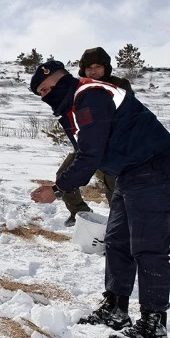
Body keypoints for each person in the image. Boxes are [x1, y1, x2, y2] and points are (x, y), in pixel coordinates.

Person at [29, 58, 170, 338]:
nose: (45, 95)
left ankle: (154, 328)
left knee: (147, 248)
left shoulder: (88, 96)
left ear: (61, 79)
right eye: (40, 93)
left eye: (46, 87)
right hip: (130, 172)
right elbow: (86, 152)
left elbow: (90, 154)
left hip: (155, 167)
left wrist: (58, 188)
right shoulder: (75, 104)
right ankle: (115, 308)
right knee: (116, 241)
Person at [57, 47, 135, 226]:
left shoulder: (120, 85)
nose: (93, 71)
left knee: (115, 189)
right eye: (89, 68)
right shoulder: (80, 88)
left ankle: (120, 225)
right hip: (88, 146)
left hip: (114, 149)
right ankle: (79, 213)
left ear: (106, 67)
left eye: (97, 67)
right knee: (64, 175)